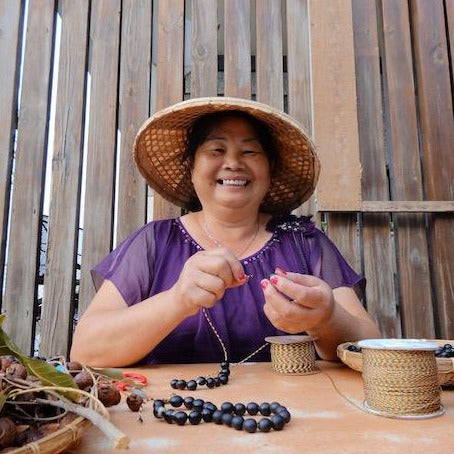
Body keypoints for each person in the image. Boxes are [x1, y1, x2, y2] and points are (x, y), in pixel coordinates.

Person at [70, 97, 380, 368]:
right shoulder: (155, 242)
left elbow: (372, 349)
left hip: (290, 426)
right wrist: (176, 301)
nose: (232, 163)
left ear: (270, 169)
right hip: (168, 423)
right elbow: (85, 351)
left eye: (249, 152)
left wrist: (326, 320)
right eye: (216, 149)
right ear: (191, 167)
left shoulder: (304, 243)